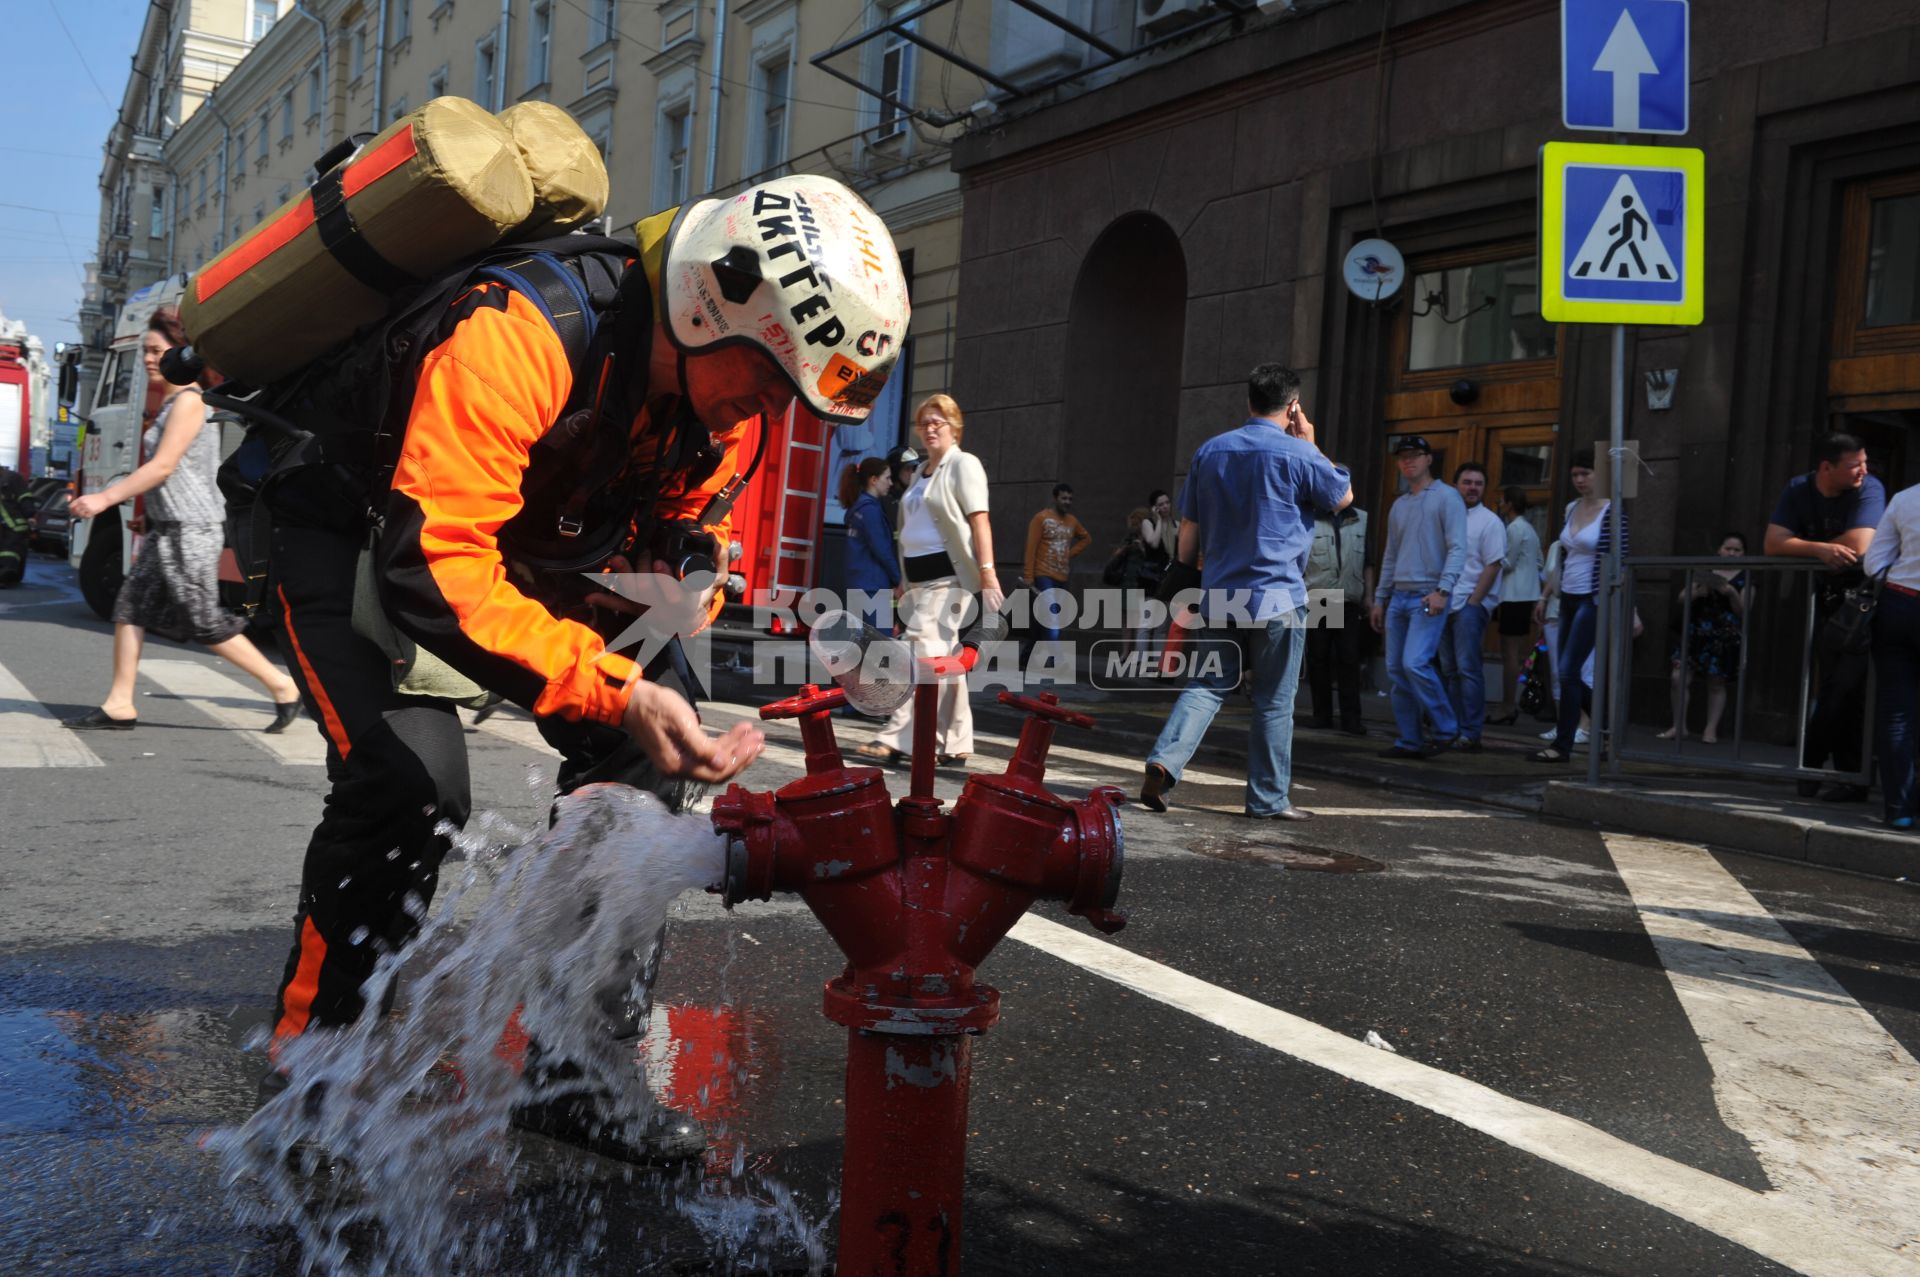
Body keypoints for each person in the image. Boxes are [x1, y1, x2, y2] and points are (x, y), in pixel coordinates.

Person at [259, 175, 910, 1161]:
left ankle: (571, 1066)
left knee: (652, 754)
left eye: (790, 393)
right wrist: (612, 681)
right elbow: (428, 560)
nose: (771, 408)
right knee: (408, 780)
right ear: (710, 301)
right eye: (772, 377)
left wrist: (692, 581)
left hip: (509, 548)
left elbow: (689, 528)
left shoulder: (723, 403)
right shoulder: (525, 326)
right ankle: (313, 1066)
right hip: (352, 527)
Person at [63, 307, 301, 733]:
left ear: (181, 352)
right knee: (129, 607)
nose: (150, 359)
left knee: (203, 620)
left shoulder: (189, 401)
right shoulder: (175, 402)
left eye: (156, 350)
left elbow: (163, 467)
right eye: (145, 353)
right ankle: (119, 703)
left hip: (192, 530)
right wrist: (149, 517)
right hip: (169, 527)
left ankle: (283, 685)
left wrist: (103, 498)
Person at [1139, 364, 1351, 820]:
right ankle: (1267, 800)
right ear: (1292, 406)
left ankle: (1164, 762)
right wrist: (1309, 440)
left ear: (1248, 401)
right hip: (1278, 596)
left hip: (1219, 592)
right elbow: (1342, 497)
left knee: (1207, 684)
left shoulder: (1211, 451)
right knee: (1274, 701)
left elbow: (1190, 529)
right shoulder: (1299, 453)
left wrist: (1185, 574)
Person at [854, 394, 1003, 769]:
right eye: (925, 423)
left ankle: (897, 738)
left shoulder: (963, 465)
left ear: (955, 427)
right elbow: (911, 530)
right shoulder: (921, 472)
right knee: (944, 658)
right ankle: (956, 741)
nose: (931, 428)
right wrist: (905, 581)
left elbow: (979, 520)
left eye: (939, 422)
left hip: (949, 581)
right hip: (919, 583)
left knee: (920, 652)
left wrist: (987, 573)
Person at [1764, 433, 1885, 801]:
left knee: (1844, 689)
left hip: (1863, 607)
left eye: (1865, 462)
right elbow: (1772, 543)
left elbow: (1857, 546)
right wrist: (1819, 549)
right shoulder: (1799, 488)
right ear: (1826, 468)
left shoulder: (1870, 488)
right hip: (1829, 603)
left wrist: (1803, 546)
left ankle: (1817, 765)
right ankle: (1845, 777)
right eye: (1855, 465)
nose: (1864, 471)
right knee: (1836, 687)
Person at [1369, 436, 1466, 760]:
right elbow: (1391, 555)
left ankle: (1446, 728)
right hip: (1398, 595)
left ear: (1428, 460)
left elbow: (1458, 547)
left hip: (1428, 593)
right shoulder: (1400, 504)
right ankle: (1409, 740)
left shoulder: (1447, 497)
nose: (1408, 461)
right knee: (1397, 670)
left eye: (1415, 456)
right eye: (1403, 457)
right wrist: (1380, 599)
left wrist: (1443, 590)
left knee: (1415, 663)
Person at [1532, 449, 1626, 764]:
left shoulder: (1613, 511)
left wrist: (1629, 607)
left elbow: (1621, 561)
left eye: (1586, 473)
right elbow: (1564, 556)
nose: (1580, 480)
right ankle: (1608, 728)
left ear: (1600, 474)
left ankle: (1563, 746)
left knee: (1569, 670)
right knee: (1569, 672)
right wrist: (1546, 594)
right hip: (1567, 595)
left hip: (1593, 597)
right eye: (1575, 475)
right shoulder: (1572, 508)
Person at [1435, 462, 1504, 752]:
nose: (1472, 487)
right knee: (1449, 670)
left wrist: (1474, 602)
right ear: (1455, 485)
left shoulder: (1490, 522)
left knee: (1468, 670)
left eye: (1478, 483)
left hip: (1468, 605)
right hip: (1442, 602)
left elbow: (1493, 564)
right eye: (1467, 482)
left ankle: (1470, 732)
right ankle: (1451, 728)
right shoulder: (1445, 517)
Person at [1657, 532, 1750, 744]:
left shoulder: (1746, 575)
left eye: (1737, 550)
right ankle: (1678, 726)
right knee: (1678, 678)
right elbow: (1682, 598)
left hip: (1724, 635)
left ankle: (1710, 730)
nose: (1732, 553)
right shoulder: (1706, 570)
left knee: (1716, 683)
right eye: (1728, 548)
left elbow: (1744, 612)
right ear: (1719, 550)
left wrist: (1731, 593)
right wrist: (1699, 591)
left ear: (1744, 553)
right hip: (1695, 631)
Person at [1865, 481, 1919, 831]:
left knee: (1897, 712)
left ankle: (1899, 808)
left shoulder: (1905, 498)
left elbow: (1874, 562)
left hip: (1900, 604)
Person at [1302, 495, 1370, 735]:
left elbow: (1368, 562)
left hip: (1348, 598)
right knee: (1318, 658)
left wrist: (1369, 597)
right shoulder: (1310, 516)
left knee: (1349, 659)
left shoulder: (1362, 518)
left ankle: (1352, 718)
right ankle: (1322, 715)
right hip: (1319, 596)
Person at [1491, 487, 1542, 725]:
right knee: (1514, 651)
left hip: (1513, 594)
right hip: (1526, 593)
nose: (1500, 503)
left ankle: (1507, 705)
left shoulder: (1513, 528)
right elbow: (1539, 561)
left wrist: (1487, 557)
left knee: (1509, 652)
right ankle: (1508, 703)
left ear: (1510, 504)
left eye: (1502, 500)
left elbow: (1507, 562)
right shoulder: (1530, 528)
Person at [1023, 482, 1091, 647]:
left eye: (1070, 499)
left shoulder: (1072, 521)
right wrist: (1028, 576)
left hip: (1062, 577)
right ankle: (1055, 661)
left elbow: (1086, 538)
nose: (1067, 502)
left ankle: (1026, 659)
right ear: (1055, 498)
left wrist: (1069, 554)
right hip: (1043, 575)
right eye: (1064, 498)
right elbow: (1031, 547)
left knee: (1048, 619)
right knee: (1052, 616)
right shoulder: (1041, 518)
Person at [839, 457, 899, 633]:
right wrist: (898, 579)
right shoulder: (870, 511)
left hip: (859, 585)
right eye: (886, 478)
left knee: (861, 643)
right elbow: (882, 550)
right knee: (880, 645)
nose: (890, 483)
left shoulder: (858, 509)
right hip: (873, 587)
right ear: (873, 480)